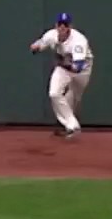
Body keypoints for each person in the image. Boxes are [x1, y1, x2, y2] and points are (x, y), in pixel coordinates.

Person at [29, 12, 94, 140]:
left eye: (65, 24)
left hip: (83, 70)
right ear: (56, 25)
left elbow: (77, 68)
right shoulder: (52, 35)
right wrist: (35, 47)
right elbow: (41, 43)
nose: (62, 27)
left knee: (74, 98)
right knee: (54, 93)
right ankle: (72, 126)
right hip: (63, 68)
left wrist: (62, 63)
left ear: (70, 26)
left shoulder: (78, 41)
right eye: (60, 24)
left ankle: (68, 126)